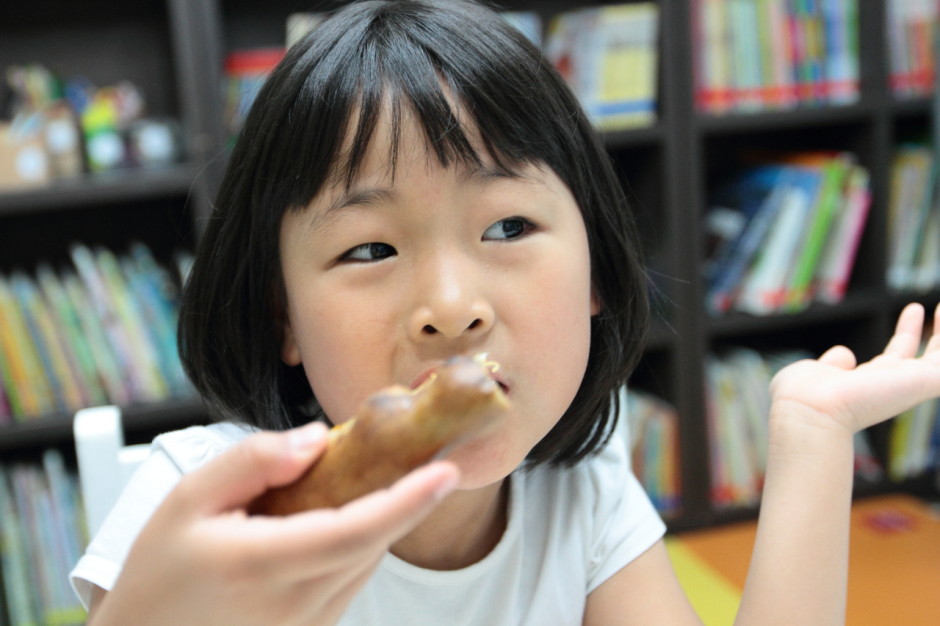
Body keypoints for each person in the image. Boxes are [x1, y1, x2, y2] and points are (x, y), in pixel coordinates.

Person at [70, 1, 940, 624]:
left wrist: (813, 438)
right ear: (282, 317)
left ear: (599, 268)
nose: (451, 310)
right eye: (370, 249)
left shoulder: (584, 498)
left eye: (509, 226)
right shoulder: (205, 507)